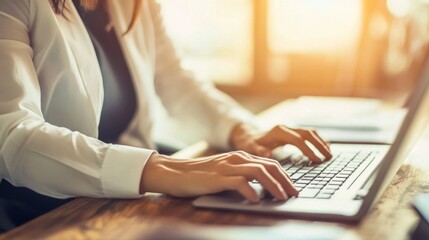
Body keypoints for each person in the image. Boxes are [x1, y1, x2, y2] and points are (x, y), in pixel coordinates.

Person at [0, 0, 332, 231]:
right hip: (39, 209)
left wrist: (240, 130)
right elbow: (13, 134)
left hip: (123, 198)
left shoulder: (136, 4)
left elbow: (176, 80)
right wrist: (165, 170)